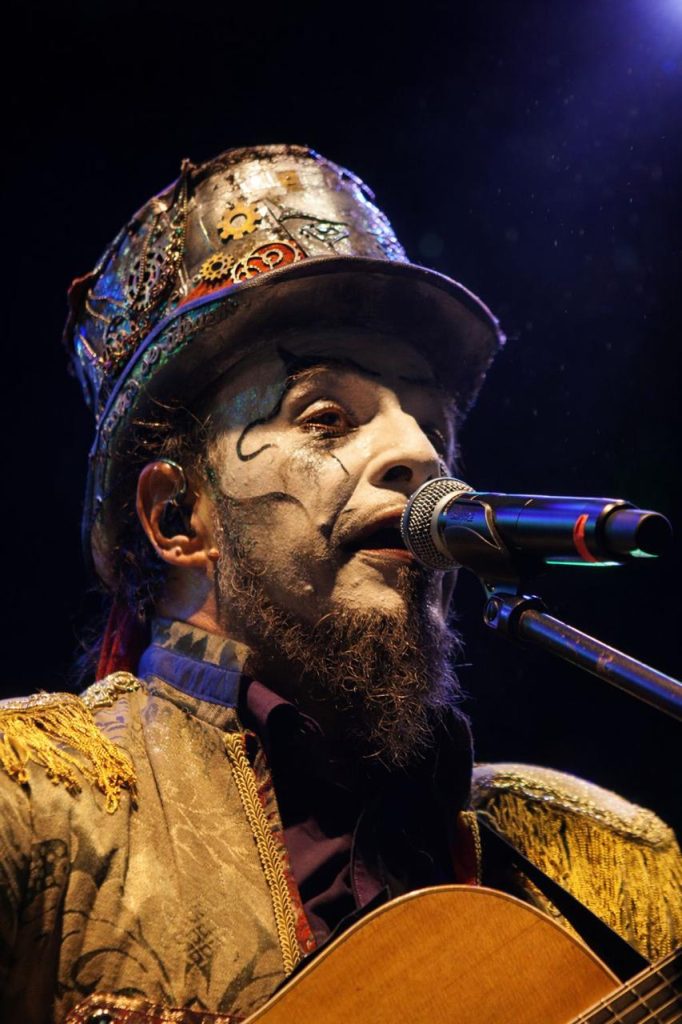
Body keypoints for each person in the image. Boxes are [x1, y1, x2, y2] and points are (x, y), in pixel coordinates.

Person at [0, 145, 679, 1024]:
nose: (420, 454)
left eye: (432, 425)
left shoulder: (614, 868)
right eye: (327, 417)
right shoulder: (33, 806)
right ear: (177, 516)